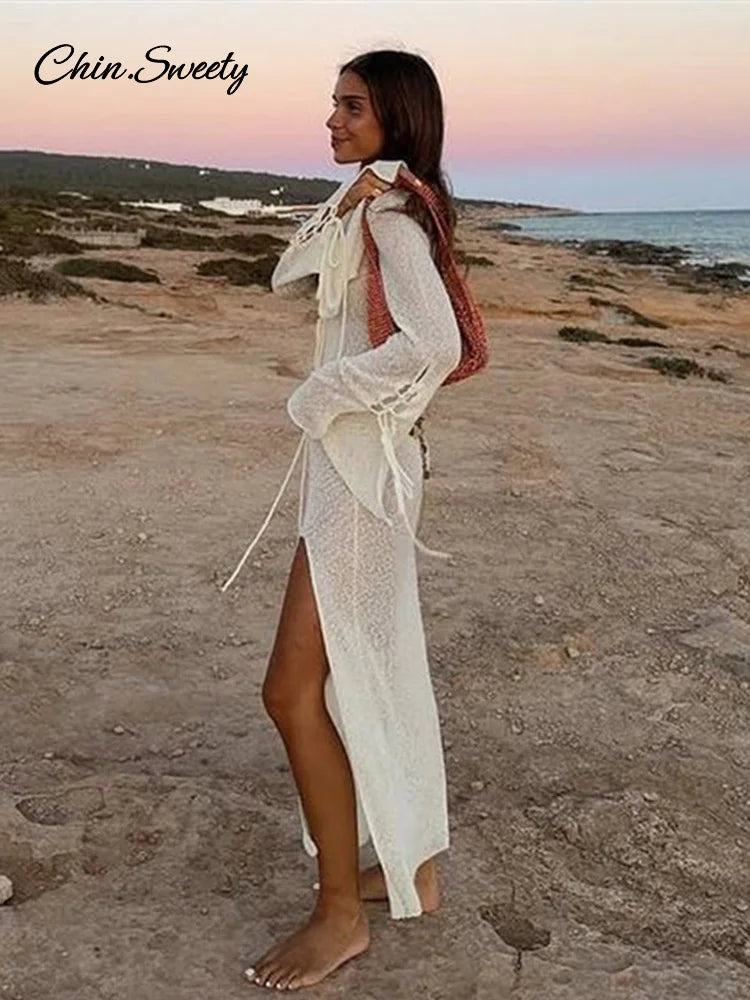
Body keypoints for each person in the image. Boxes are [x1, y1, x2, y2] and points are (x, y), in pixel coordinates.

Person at [242, 49, 466, 992]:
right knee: (374, 670)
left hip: (360, 477)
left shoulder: (392, 217)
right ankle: (413, 867)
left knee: (292, 690)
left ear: (396, 115)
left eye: (352, 106)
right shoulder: (375, 206)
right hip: (357, 472)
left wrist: (321, 391)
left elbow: (434, 345)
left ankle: (341, 911)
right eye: (333, 104)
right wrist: (344, 200)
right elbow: (287, 271)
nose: (332, 120)